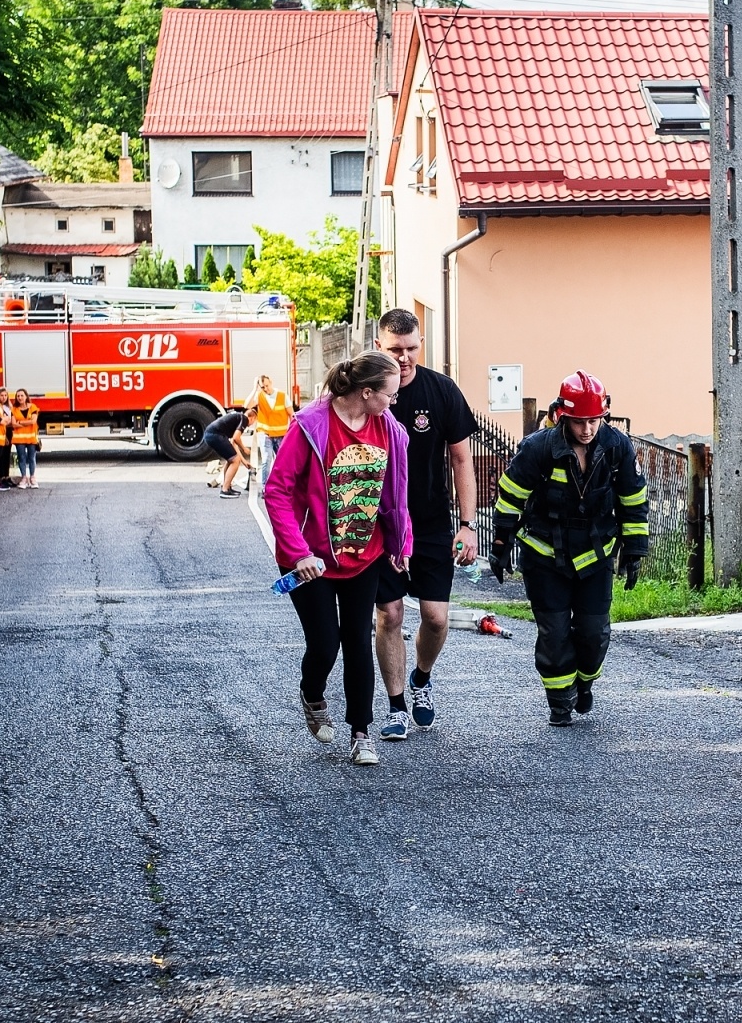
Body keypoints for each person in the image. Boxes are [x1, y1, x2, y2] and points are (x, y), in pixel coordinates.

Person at [263, 352, 412, 767]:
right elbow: (277, 490)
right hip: (311, 558)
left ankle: (362, 733)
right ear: (366, 393)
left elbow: (395, 495)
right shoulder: (312, 425)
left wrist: (401, 545)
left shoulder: (390, 431)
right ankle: (312, 693)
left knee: (358, 643)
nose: (393, 402)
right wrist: (298, 553)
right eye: (389, 395)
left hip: (365, 554)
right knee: (325, 644)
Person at [490, 371, 648, 726]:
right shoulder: (538, 449)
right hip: (545, 555)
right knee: (555, 633)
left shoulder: (617, 448)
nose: (588, 429)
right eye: (580, 422)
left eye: (594, 420)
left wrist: (635, 550)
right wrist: (501, 544)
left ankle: (585, 682)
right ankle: (560, 701)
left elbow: (633, 501)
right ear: (563, 415)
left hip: (596, 555)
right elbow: (511, 498)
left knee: (595, 633)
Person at [371, 309, 479, 741]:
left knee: (435, 618)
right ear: (379, 345)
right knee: (390, 613)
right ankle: (396, 705)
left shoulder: (442, 391)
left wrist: (468, 524)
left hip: (431, 522)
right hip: (379, 524)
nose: (405, 357)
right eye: (396, 349)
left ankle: (420, 678)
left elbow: (461, 459)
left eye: (412, 347)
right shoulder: (367, 391)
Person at [202, 407, 254, 499]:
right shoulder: (244, 419)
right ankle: (225, 490)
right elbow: (236, 438)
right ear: (252, 418)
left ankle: (226, 486)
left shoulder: (237, 417)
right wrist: (244, 448)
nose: (252, 424)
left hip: (211, 434)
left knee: (231, 459)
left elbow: (233, 444)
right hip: (215, 435)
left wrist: (244, 461)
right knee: (234, 460)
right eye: (254, 421)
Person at [252, 374, 293, 484]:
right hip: (265, 434)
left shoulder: (282, 396)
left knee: (282, 461)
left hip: (281, 434)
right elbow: (247, 405)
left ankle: (283, 485)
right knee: (266, 459)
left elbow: (291, 415)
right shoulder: (259, 396)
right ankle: (266, 487)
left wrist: (292, 433)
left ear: (271, 382)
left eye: (266, 385)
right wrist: (254, 390)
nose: (265, 389)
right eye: (262, 387)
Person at [11, 389, 41, 489]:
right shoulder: (14, 409)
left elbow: (33, 421)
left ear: (26, 396)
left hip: (31, 438)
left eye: (21, 395)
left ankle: (32, 478)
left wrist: (20, 422)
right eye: (18, 396)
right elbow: (13, 423)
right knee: (21, 458)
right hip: (19, 439)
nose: (20, 398)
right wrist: (26, 421)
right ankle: (24, 478)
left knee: (32, 458)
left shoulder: (33, 407)